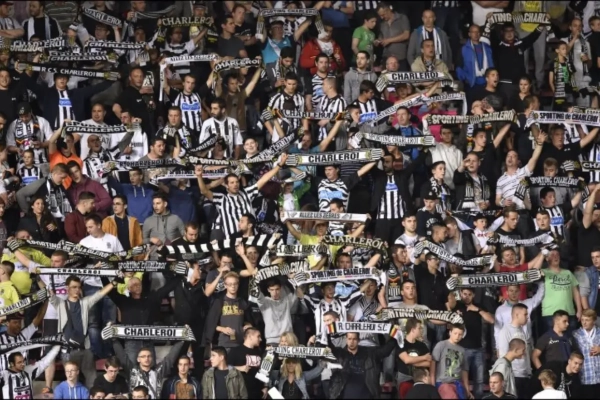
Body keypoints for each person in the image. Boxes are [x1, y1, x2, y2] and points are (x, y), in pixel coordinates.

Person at [430, 324, 473, 399]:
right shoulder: (441, 345)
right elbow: (433, 365)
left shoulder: (462, 350)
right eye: (455, 333)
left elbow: (464, 371)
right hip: (443, 383)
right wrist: (433, 385)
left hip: (457, 384)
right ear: (450, 332)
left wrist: (467, 389)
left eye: (460, 334)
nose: (457, 336)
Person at [228, 327, 265, 399]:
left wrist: (265, 386)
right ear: (250, 337)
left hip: (258, 392)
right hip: (241, 392)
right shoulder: (235, 351)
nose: (260, 339)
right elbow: (225, 368)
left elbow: (263, 371)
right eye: (258, 336)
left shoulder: (259, 352)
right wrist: (239, 368)